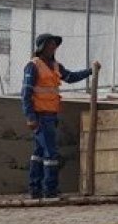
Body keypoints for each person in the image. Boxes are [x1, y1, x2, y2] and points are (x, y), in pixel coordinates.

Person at [21, 33, 93, 200]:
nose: (54, 47)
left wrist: (90, 71)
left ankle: (35, 189)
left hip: (50, 116)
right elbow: (26, 93)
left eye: (55, 45)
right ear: (42, 47)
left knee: (39, 153)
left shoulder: (55, 66)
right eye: (50, 44)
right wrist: (30, 117)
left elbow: (71, 77)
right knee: (51, 154)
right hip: (40, 116)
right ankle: (49, 189)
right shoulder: (33, 66)